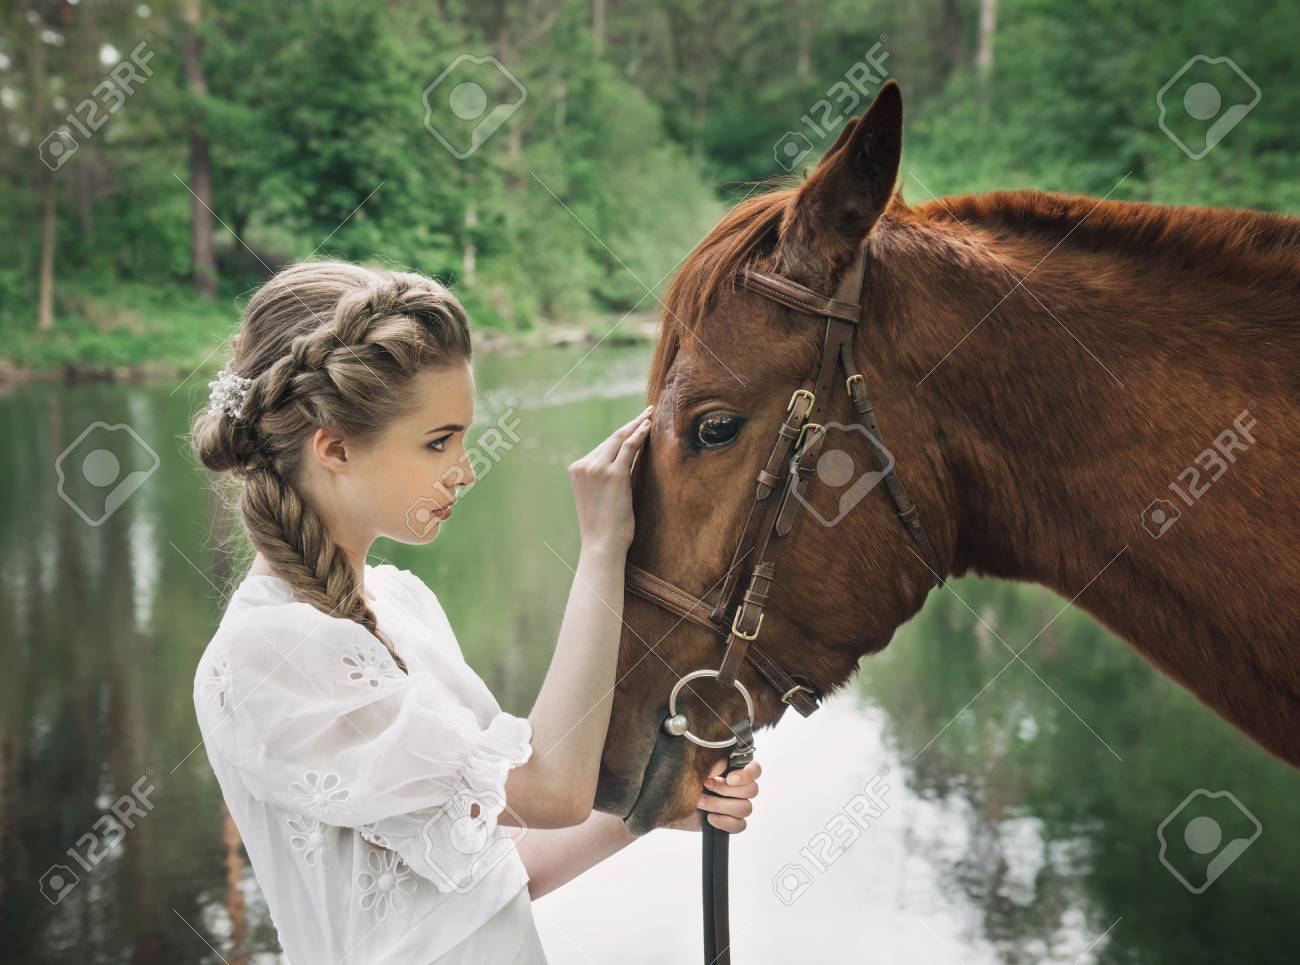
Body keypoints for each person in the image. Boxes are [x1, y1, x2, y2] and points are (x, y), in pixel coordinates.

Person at [189, 260, 761, 964]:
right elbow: (554, 789)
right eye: (438, 441)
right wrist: (602, 548)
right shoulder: (269, 652)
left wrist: (660, 800)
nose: (464, 469)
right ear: (334, 448)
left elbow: (494, 870)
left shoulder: (401, 604)